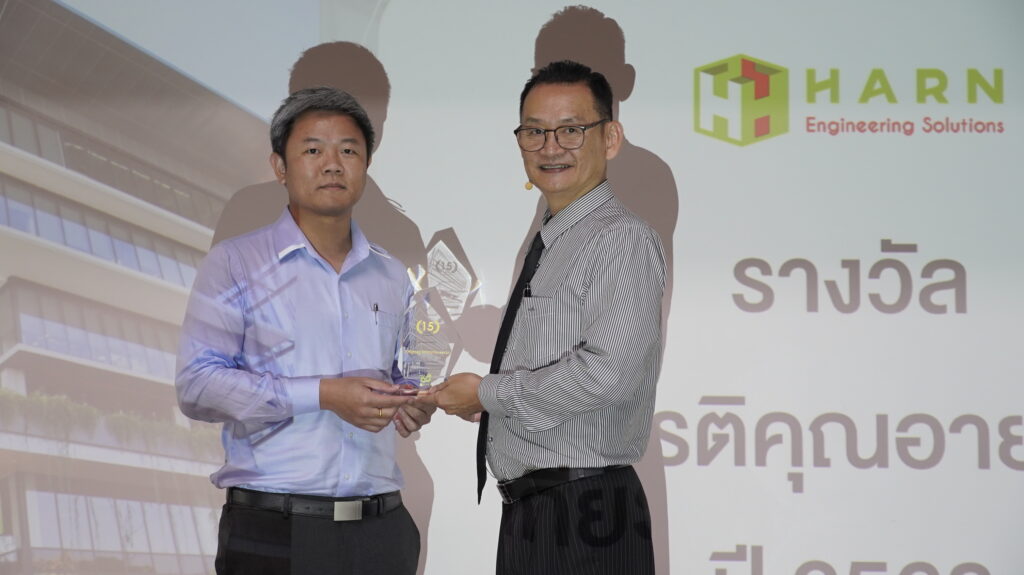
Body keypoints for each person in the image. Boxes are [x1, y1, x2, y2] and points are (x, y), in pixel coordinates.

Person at [176, 87, 432, 575]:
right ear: (280, 167)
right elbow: (197, 386)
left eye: (349, 150)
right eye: (313, 150)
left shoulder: (393, 274)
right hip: (275, 530)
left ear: (366, 165)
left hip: (383, 530)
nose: (333, 164)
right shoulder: (235, 262)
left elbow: (404, 375)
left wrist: (412, 402)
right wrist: (324, 394)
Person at [424, 60, 665, 574]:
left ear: (611, 137)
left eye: (571, 130)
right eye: (534, 131)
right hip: (535, 511)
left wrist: (487, 393)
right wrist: (490, 404)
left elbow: (610, 374)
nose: (550, 147)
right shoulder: (554, 239)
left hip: (587, 512)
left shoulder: (620, 237)